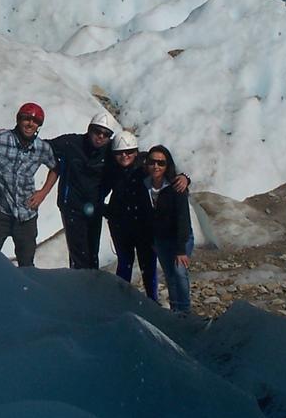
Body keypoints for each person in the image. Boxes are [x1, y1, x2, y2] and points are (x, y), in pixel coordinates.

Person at [48, 111, 190, 271]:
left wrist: (183, 176)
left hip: (95, 208)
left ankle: (89, 289)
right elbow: (45, 149)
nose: (101, 136)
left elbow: (150, 159)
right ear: (89, 129)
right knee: (79, 255)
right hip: (72, 207)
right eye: (97, 131)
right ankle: (81, 290)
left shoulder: (112, 151)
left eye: (106, 134)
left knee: (92, 254)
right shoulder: (72, 143)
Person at [0, 102, 58, 267]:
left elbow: (56, 168)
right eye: (26, 118)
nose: (30, 124)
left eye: (35, 121)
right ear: (19, 119)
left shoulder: (41, 148)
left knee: (27, 265)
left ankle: (22, 292)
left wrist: (43, 192)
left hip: (26, 215)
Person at [102, 130, 157, 299]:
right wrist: (108, 211)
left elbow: (166, 174)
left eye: (129, 152)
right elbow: (99, 192)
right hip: (121, 227)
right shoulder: (111, 170)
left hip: (144, 226)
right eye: (119, 153)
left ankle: (152, 302)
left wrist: (185, 178)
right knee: (125, 264)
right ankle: (122, 301)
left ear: (136, 151)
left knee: (148, 266)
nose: (124, 156)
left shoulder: (146, 166)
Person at [146, 144, 194, 313]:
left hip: (180, 237)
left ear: (168, 165)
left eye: (161, 163)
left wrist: (181, 249)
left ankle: (185, 312)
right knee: (170, 276)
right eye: (152, 162)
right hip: (161, 239)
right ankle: (176, 311)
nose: (156, 166)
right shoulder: (144, 184)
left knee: (179, 273)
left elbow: (183, 218)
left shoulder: (176, 186)